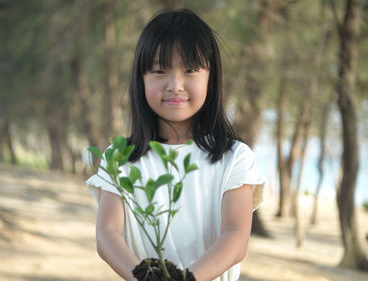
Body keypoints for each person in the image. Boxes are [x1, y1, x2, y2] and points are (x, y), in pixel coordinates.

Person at [86, 9, 264, 281]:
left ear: (211, 77)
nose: (175, 85)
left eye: (190, 70)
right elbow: (107, 233)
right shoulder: (120, 157)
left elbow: (235, 237)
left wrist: (185, 279)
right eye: (159, 71)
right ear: (140, 79)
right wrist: (144, 276)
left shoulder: (234, 157)